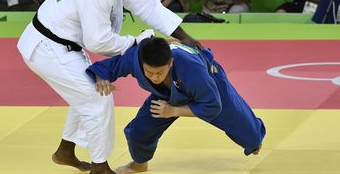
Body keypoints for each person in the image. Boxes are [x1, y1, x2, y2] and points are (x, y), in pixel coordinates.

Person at [16, 0, 201, 174]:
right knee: (97, 97)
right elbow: (97, 42)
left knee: (84, 94)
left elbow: (146, 4)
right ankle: (100, 167)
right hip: (47, 48)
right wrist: (138, 44)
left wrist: (184, 36)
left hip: (62, 44)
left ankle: (65, 151)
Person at [86, 37, 266, 174]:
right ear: (141, 64)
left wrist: (173, 110)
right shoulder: (135, 58)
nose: (155, 77)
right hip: (167, 95)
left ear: (170, 63)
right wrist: (102, 79)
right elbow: (109, 67)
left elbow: (212, 106)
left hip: (210, 87)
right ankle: (139, 163)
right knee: (138, 132)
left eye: (160, 72)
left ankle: (255, 134)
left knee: (252, 139)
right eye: (150, 72)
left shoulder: (192, 69)